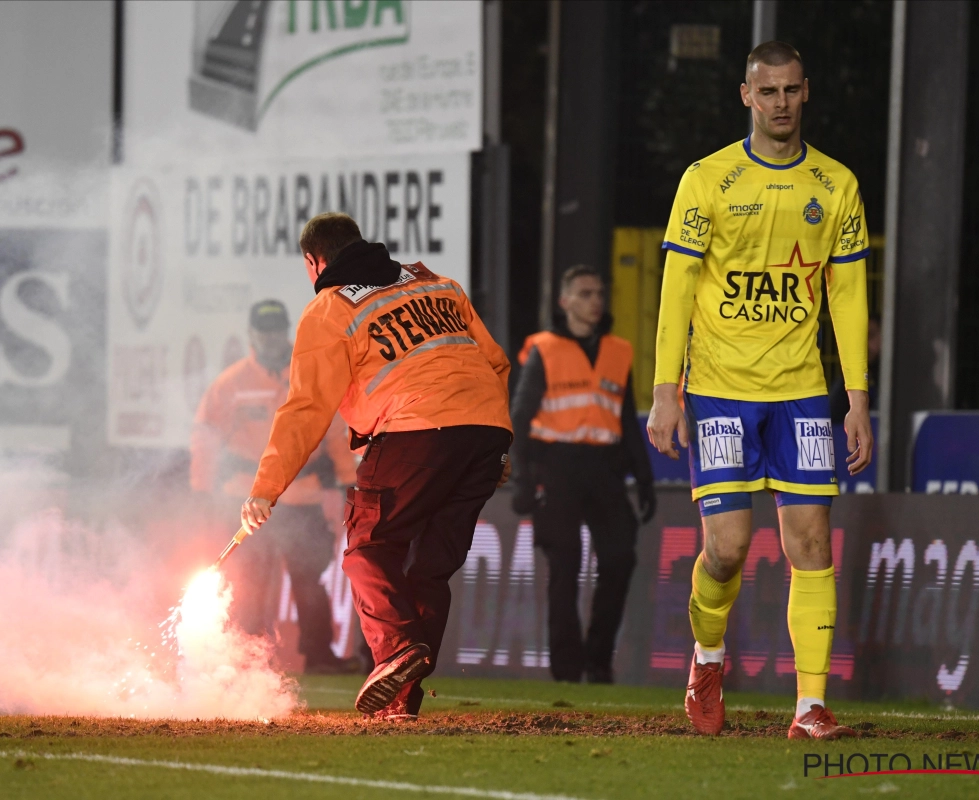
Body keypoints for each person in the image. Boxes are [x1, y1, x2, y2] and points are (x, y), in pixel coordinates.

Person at [647, 41, 872, 741]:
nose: (780, 103)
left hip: (803, 391)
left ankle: (809, 706)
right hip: (718, 389)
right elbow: (678, 286)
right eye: (766, 91)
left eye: (791, 90)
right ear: (746, 96)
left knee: (811, 542)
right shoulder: (708, 179)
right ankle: (707, 659)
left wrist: (857, 399)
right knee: (727, 549)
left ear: (807, 93)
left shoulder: (836, 186)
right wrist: (665, 390)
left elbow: (850, 296)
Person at [239, 212, 513, 720]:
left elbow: (305, 409)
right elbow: (494, 361)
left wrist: (265, 488)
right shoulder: (437, 284)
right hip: (486, 431)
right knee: (428, 569)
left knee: (367, 550)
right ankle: (401, 702)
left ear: (313, 262)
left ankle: (396, 650)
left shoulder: (330, 309)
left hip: (415, 430)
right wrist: (496, 441)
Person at [191, 299, 358, 674]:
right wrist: (201, 490)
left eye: (277, 329)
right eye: (264, 330)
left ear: (287, 332)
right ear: (251, 334)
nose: (271, 337)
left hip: (303, 497)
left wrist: (350, 483)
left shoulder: (307, 376)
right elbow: (205, 440)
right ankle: (248, 663)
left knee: (310, 582)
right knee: (248, 587)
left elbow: (335, 432)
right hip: (246, 499)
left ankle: (320, 657)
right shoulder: (230, 385)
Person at [509, 265, 656, 684]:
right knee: (564, 567)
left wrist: (644, 478)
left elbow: (626, 420)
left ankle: (597, 659)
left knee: (619, 558)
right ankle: (568, 669)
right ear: (565, 301)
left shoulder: (618, 351)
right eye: (586, 293)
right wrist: (522, 480)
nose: (596, 301)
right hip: (555, 466)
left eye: (599, 293)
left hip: (603, 468)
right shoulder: (544, 348)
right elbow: (519, 417)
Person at [829, 316, 880, 424]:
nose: (865, 344)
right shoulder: (848, 376)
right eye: (860, 339)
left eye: (870, 336)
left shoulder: (896, 376)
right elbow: (833, 413)